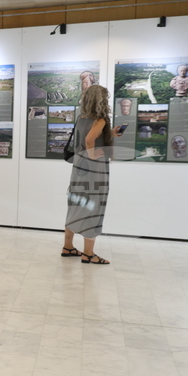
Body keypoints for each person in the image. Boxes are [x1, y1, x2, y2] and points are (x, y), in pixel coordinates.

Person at [62, 84, 122, 265]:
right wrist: (92, 154)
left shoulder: (81, 118)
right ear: (102, 100)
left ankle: (68, 247)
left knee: (76, 204)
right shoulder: (100, 119)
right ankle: (88, 253)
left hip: (79, 167)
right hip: (94, 169)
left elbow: (89, 137)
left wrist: (109, 134)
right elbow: (89, 140)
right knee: (94, 206)